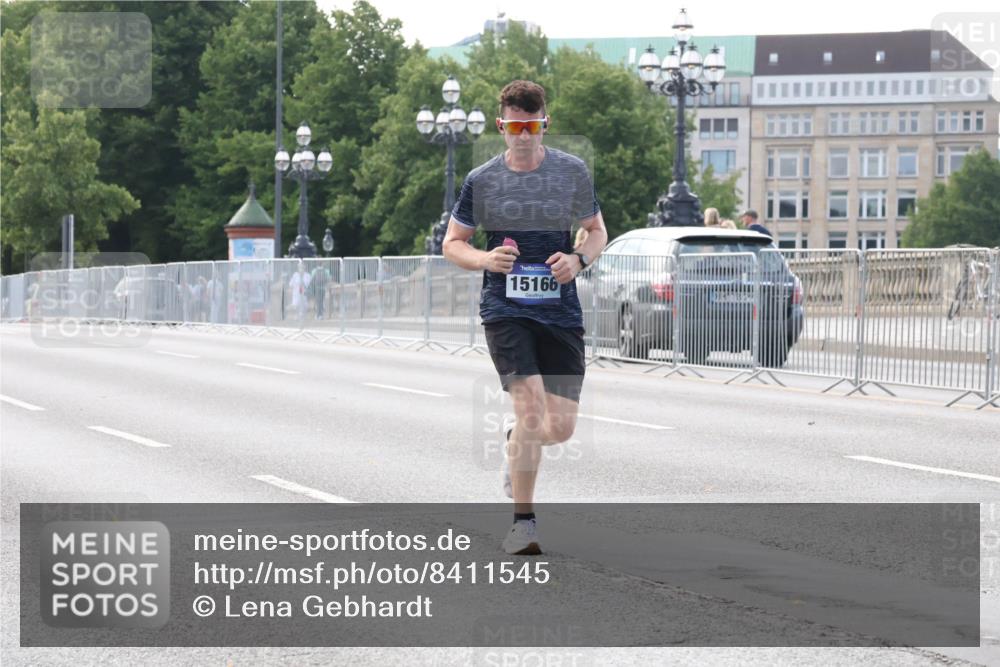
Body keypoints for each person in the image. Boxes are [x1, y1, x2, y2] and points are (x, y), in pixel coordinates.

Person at [442, 79, 608, 555]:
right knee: (532, 409)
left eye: (531, 127)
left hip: (560, 311)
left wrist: (577, 259)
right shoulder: (483, 180)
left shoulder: (571, 172)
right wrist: (484, 259)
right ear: (501, 126)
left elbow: (596, 231)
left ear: (544, 125)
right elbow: (452, 243)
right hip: (506, 310)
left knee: (561, 427)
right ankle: (524, 524)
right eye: (515, 127)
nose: (523, 136)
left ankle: (517, 441)